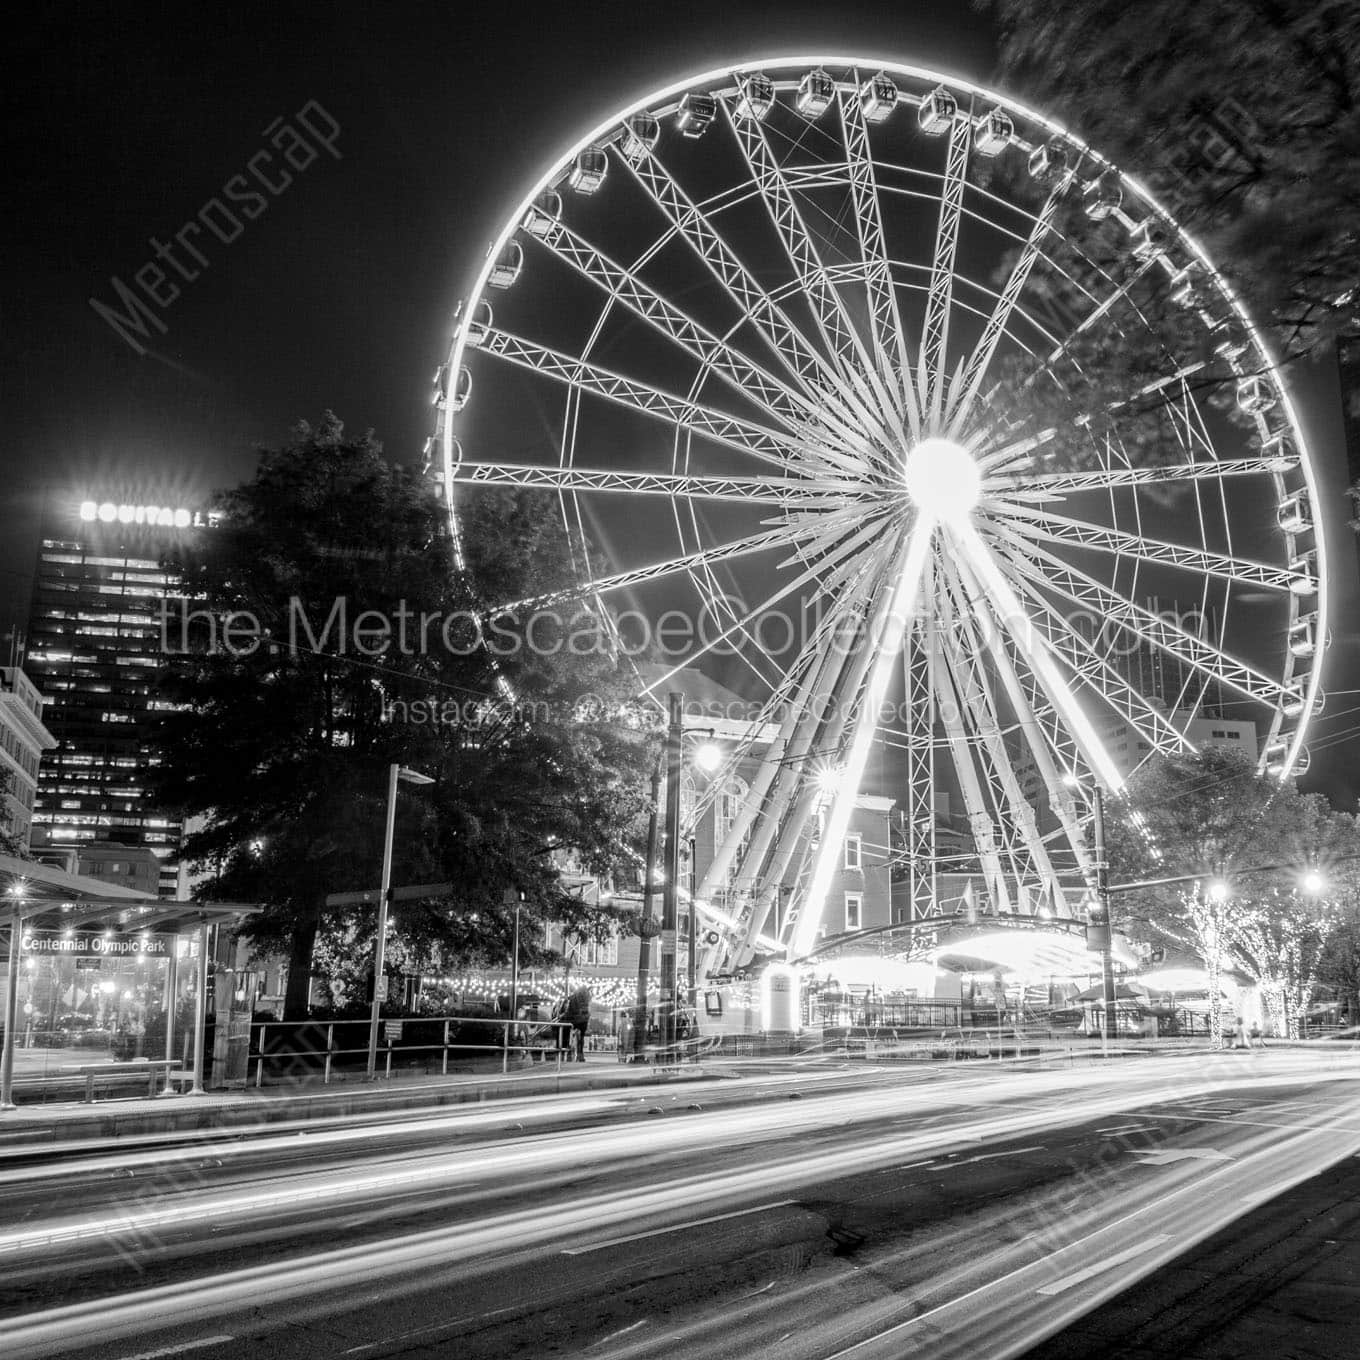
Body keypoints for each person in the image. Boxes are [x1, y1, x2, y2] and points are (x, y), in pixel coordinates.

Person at [565, 986, 592, 1062]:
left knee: (581, 1038)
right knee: (576, 1037)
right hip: (575, 1018)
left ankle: (579, 1054)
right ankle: (574, 1053)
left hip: (581, 1017)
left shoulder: (583, 999)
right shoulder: (575, 999)